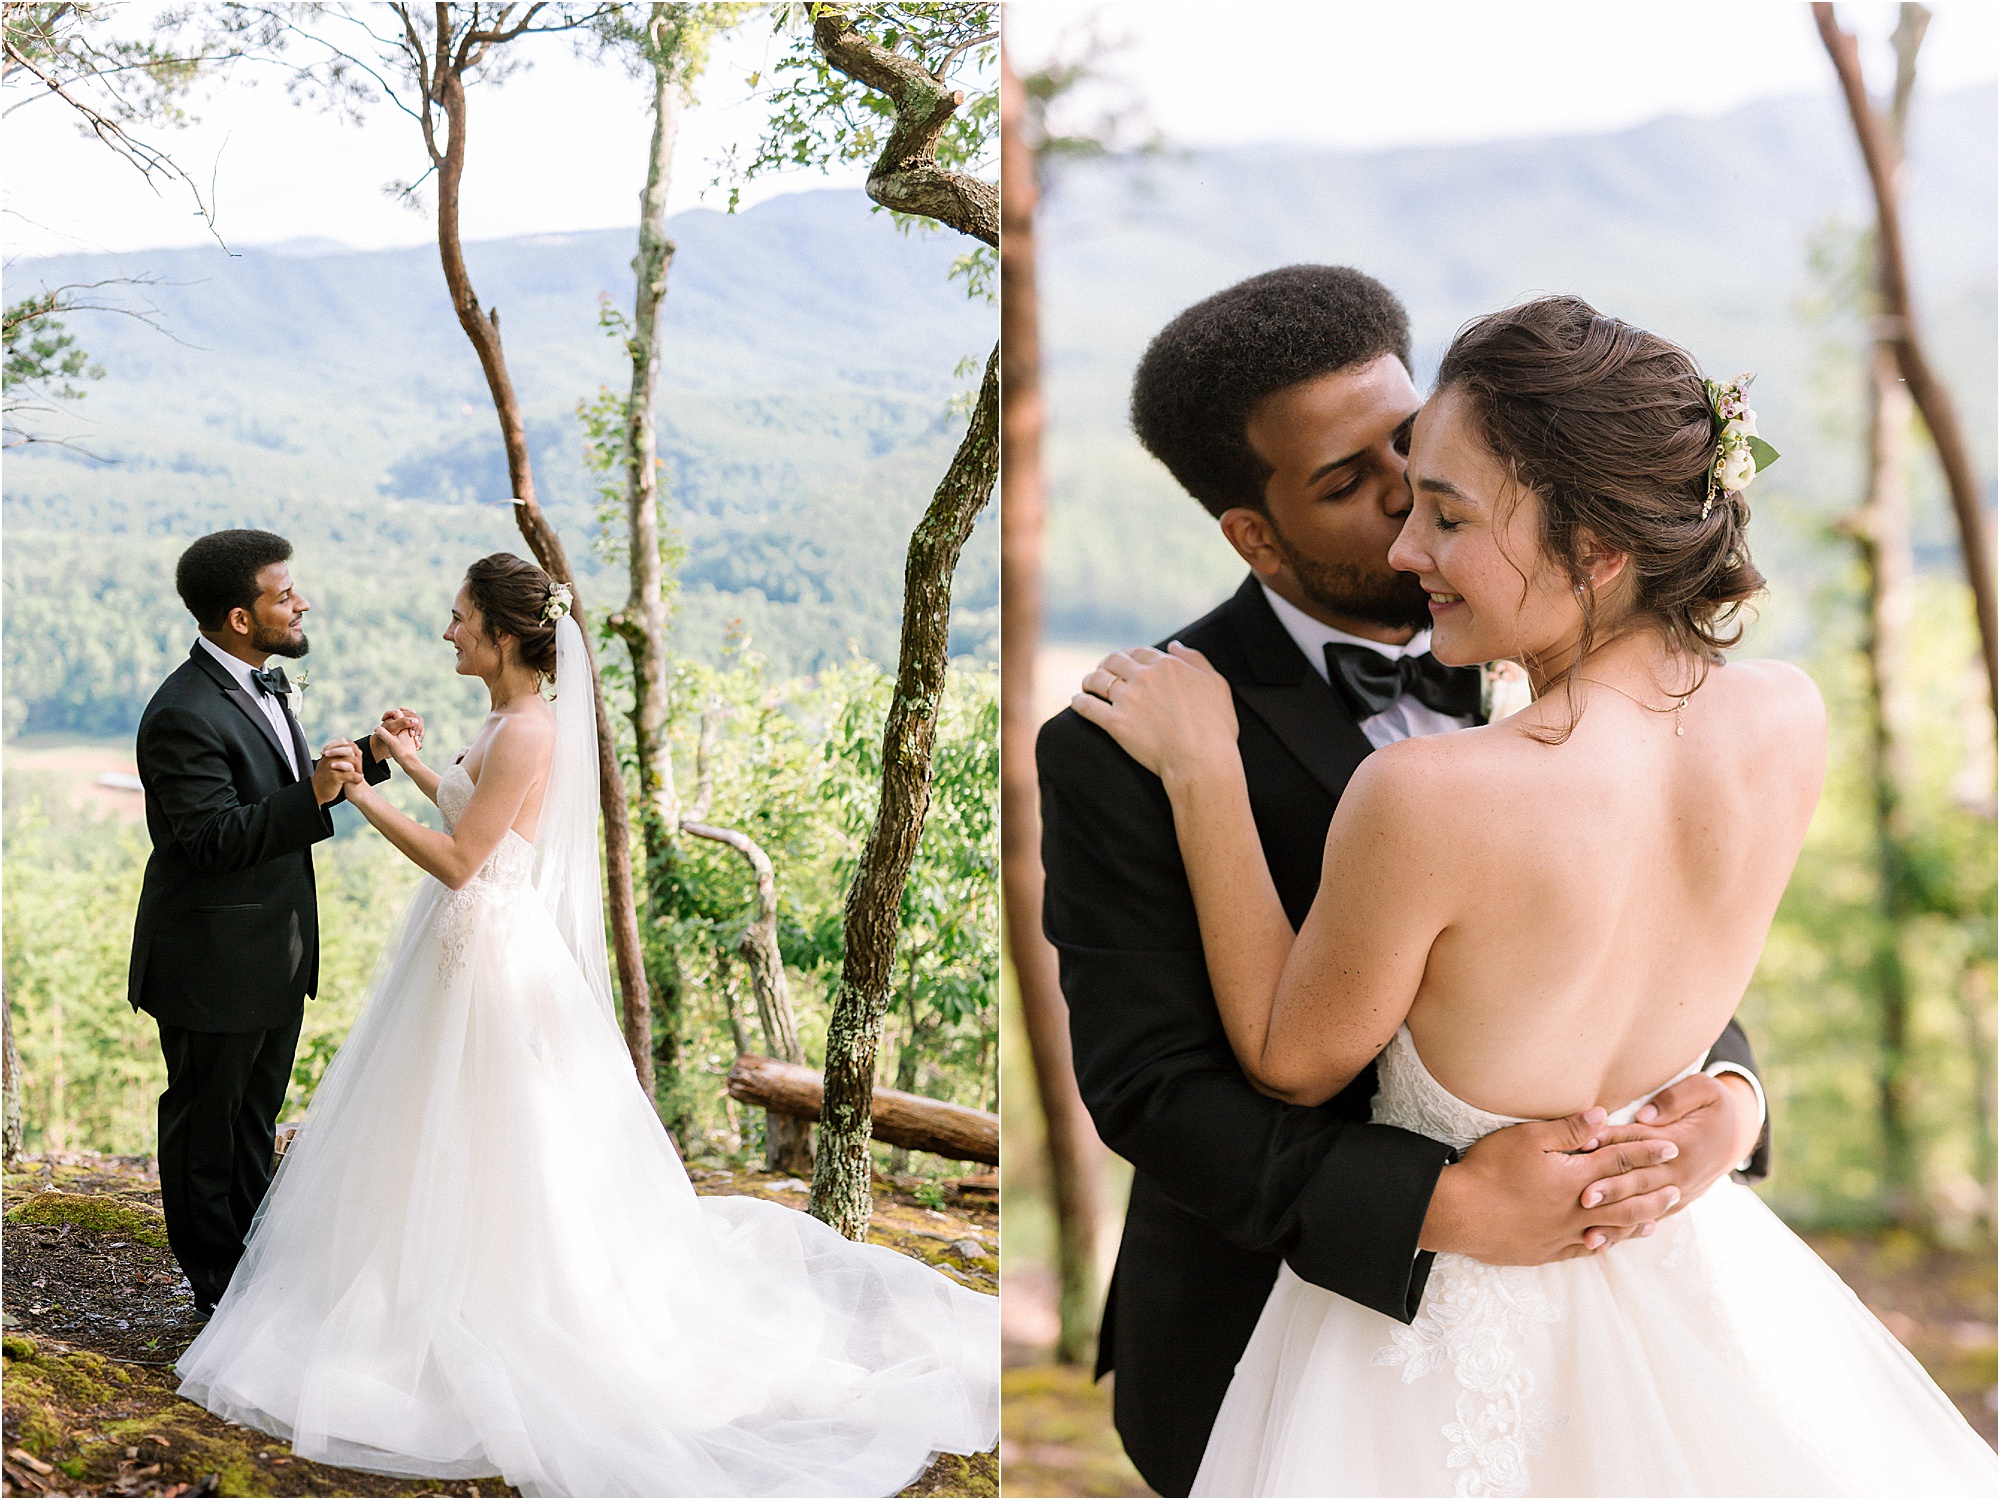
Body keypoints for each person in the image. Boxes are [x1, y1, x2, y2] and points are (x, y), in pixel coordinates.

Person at [1075, 295, 1995, 1495]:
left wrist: (1730, 1094)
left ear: (1597, 548)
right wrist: (1456, 1193)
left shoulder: (1424, 791)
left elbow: (1291, 1061)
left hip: (1437, 1357)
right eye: (1382, 494)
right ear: (1253, 531)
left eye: (1444, 510)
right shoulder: (1786, 714)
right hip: (1635, 1285)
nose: (1408, 544)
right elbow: (1151, 1088)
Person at [175, 552, 998, 1498]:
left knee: (501, 1138)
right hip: (462, 956)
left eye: (458, 619)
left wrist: (357, 796)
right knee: (437, 1132)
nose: (448, 632)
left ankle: (493, 1300)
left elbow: (463, 862)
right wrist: (405, 762)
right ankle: (408, 1284)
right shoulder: (507, 718)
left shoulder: (528, 729)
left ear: (502, 634)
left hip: (492, 960)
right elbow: (478, 810)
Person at [129, 529, 410, 1318]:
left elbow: (278, 793)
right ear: (240, 618)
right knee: (204, 1131)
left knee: (253, 1121)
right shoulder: (181, 712)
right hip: (211, 960)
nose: (302, 601)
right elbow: (211, 839)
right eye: (285, 594)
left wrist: (369, 756)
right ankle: (215, 1294)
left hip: (272, 956)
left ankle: (257, 1277)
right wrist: (315, 795)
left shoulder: (259, 681)